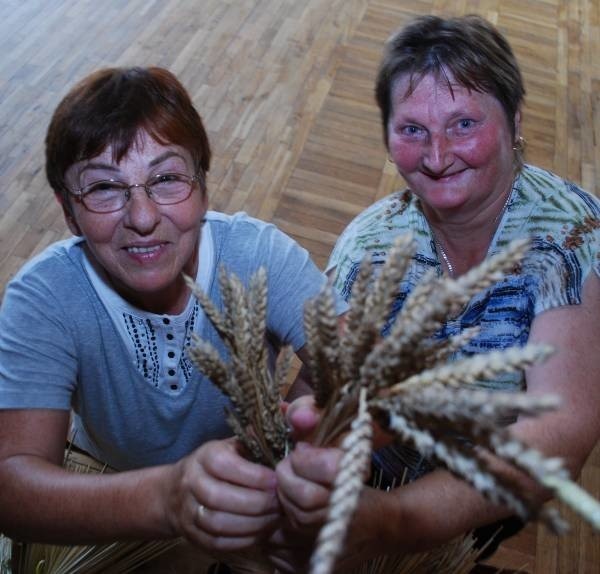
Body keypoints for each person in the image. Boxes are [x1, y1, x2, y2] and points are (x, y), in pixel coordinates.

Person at [273, 14, 600, 571]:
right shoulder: (369, 245)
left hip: (491, 492)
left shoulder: (565, 233)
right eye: (412, 130)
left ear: (516, 119)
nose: (438, 154)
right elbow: (316, 384)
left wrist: (397, 520)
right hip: (378, 478)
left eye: (464, 123)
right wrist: (309, 423)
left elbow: (562, 429)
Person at [0, 66, 346, 561]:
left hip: (252, 489)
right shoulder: (44, 296)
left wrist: (291, 433)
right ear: (66, 210)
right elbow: (13, 484)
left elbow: (358, 363)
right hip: (109, 490)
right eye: (103, 188)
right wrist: (169, 496)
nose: (141, 218)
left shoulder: (257, 254)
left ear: (203, 186)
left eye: (166, 179)